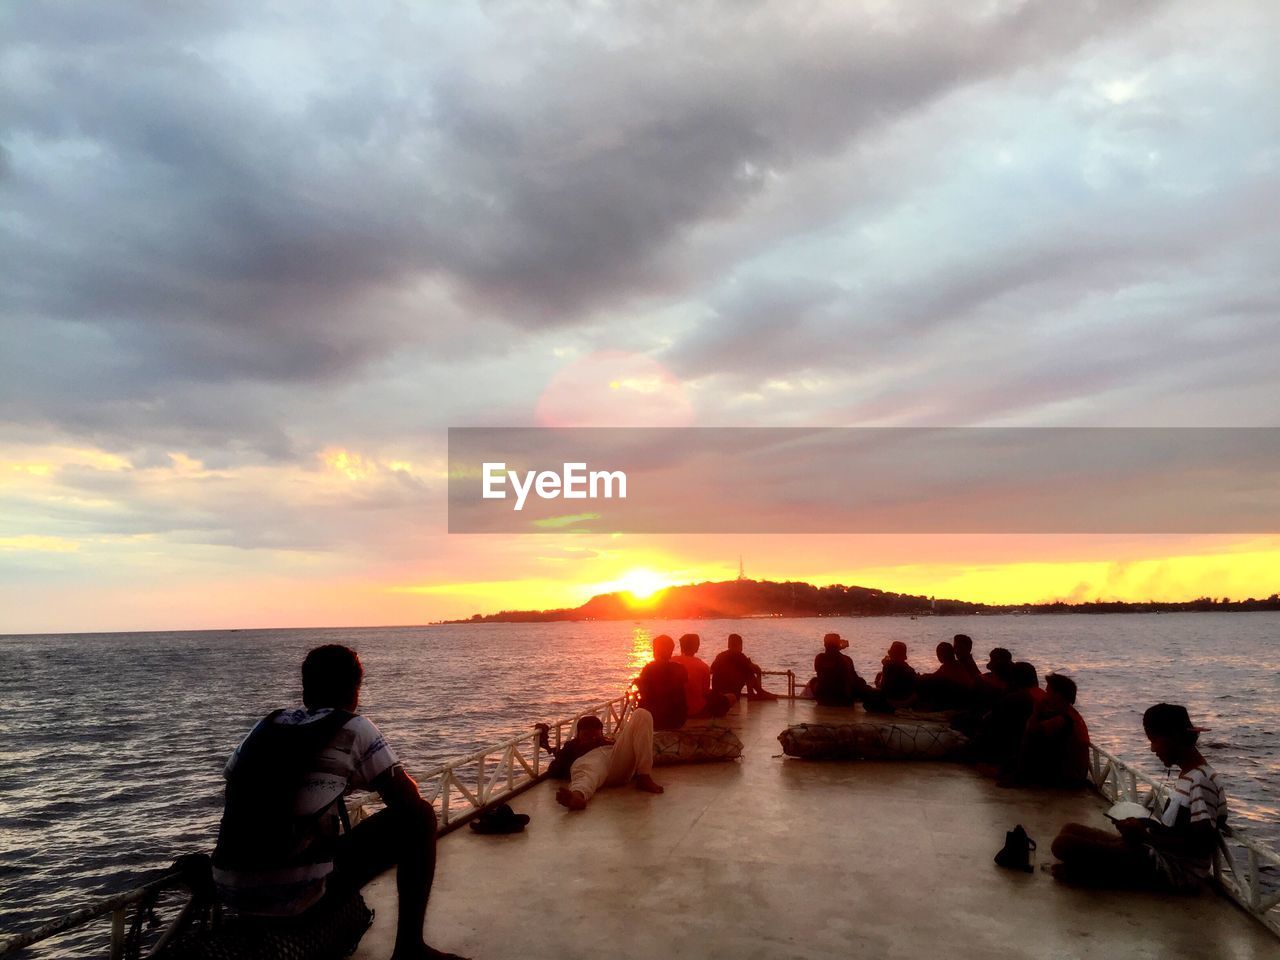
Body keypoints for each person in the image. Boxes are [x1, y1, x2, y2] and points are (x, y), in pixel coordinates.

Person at [213, 644, 466, 960]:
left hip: (231, 891)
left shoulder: (266, 725)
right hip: (299, 899)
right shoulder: (353, 727)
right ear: (354, 690)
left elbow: (235, 785)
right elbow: (407, 800)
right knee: (420, 817)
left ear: (306, 691)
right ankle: (410, 949)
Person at [1050, 703, 1228, 892]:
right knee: (1069, 829)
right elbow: (1179, 831)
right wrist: (1143, 825)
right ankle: (1093, 871)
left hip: (1172, 870)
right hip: (1156, 851)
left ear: (1173, 738)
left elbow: (1200, 846)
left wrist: (1145, 837)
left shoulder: (1201, 781)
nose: (1152, 749)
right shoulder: (1190, 775)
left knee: (1063, 844)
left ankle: (1096, 874)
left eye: (1154, 740)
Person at [544, 710, 665, 811]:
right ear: (578, 734)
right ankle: (577, 796)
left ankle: (644, 776)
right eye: (587, 736)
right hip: (592, 763)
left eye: (596, 735)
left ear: (601, 733)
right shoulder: (572, 746)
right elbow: (555, 769)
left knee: (641, 714)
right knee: (587, 774)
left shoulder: (609, 741)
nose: (592, 738)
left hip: (615, 761)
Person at [1010, 673, 1090, 787]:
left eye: (1048, 692)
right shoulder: (1069, 713)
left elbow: (1031, 731)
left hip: (1069, 776)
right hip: (1072, 772)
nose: (1045, 696)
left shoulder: (1065, 719)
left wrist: (1036, 710)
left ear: (1058, 695)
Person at [672, 633, 734, 717]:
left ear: (681, 646)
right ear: (697, 647)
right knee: (731, 697)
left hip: (676, 710)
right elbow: (705, 692)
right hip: (696, 710)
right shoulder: (703, 666)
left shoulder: (671, 662)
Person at [636, 634, 689, 730]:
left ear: (655, 651)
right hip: (677, 719)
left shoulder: (648, 669)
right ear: (671, 651)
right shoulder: (680, 668)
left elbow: (645, 695)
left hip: (654, 720)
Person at [711, 634, 778, 701]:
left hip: (717, 694)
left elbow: (712, 669)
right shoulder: (740, 656)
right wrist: (750, 664)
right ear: (740, 645)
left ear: (728, 644)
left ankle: (758, 692)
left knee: (746, 669)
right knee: (748, 671)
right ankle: (756, 693)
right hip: (732, 695)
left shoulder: (720, 656)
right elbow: (756, 669)